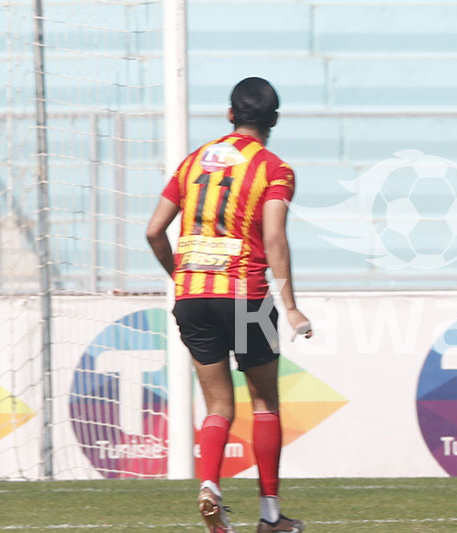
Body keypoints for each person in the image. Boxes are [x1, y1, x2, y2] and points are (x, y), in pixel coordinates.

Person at [147, 77, 310, 533]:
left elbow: (154, 231)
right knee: (264, 404)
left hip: (193, 296)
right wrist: (291, 305)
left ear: (230, 115)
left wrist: (182, 277)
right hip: (246, 296)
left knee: (218, 406)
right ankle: (270, 517)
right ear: (273, 119)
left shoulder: (194, 161)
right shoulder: (274, 169)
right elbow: (274, 236)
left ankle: (210, 490)